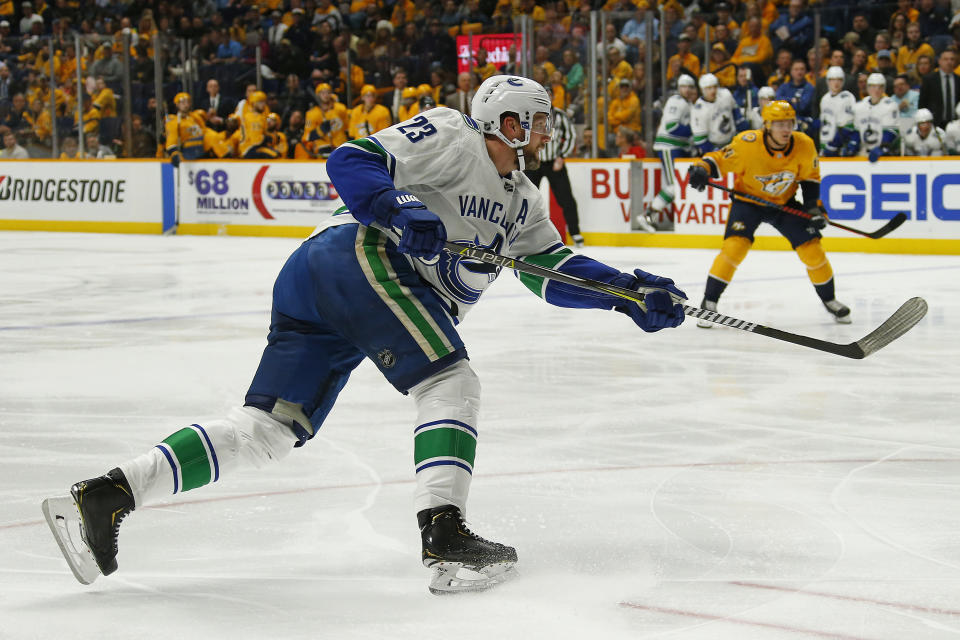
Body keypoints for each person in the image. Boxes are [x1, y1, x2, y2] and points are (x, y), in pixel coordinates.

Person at [42, 75, 686, 595]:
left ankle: (107, 493)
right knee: (448, 380)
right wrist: (398, 207)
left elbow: (550, 271)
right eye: (540, 119)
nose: (549, 130)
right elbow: (352, 160)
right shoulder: (453, 133)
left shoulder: (522, 199)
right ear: (508, 124)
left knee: (267, 431)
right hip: (358, 257)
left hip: (332, 288)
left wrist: (627, 292)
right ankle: (445, 533)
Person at [687, 100, 851, 327]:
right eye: (779, 124)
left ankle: (830, 300)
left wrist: (814, 208)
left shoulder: (804, 144)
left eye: (789, 123)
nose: (786, 129)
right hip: (748, 202)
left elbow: (810, 179)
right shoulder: (747, 144)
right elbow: (718, 160)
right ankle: (709, 302)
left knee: (812, 249)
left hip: (783, 203)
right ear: (767, 125)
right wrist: (701, 169)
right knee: (734, 248)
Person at [523, 86, 583, 248]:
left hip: (553, 162)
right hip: (534, 161)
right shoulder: (530, 115)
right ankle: (520, 231)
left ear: (553, 97)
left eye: (549, 95)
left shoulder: (561, 116)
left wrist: (561, 156)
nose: (546, 98)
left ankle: (575, 232)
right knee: (525, 198)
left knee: (566, 198)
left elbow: (570, 136)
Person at [643, 74, 697, 231]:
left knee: (679, 185)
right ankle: (649, 213)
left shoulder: (689, 105)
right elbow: (672, 127)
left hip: (679, 148)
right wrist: (695, 130)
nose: (687, 90)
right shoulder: (676, 101)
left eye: (690, 87)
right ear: (679, 88)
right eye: (684, 86)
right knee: (675, 185)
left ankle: (650, 213)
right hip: (669, 147)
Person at [691, 73, 746, 155]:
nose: (713, 91)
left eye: (715, 87)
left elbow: (735, 109)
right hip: (714, 145)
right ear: (702, 90)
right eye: (709, 88)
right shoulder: (698, 110)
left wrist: (741, 125)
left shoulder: (725, 94)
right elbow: (700, 139)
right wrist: (716, 151)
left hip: (732, 140)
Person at [851, 73, 900, 162]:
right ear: (868, 87)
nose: (876, 90)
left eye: (880, 87)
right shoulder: (859, 106)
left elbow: (891, 131)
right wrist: (853, 143)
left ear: (884, 88)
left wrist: (882, 147)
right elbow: (857, 129)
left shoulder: (890, 105)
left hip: (883, 153)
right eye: (873, 86)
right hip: (863, 152)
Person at [819, 66, 857, 156]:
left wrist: (833, 145)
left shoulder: (847, 97)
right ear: (828, 81)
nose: (836, 83)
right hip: (824, 144)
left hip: (838, 147)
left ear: (843, 81)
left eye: (839, 80)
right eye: (832, 79)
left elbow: (847, 126)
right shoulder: (825, 98)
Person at [164, 92, 205, 163]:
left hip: (202, 147)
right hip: (189, 150)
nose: (186, 104)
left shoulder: (195, 117)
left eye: (187, 102)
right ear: (177, 104)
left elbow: (205, 130)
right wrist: (174, 153)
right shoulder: (174, 121)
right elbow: (171, 140)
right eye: (182, 102)